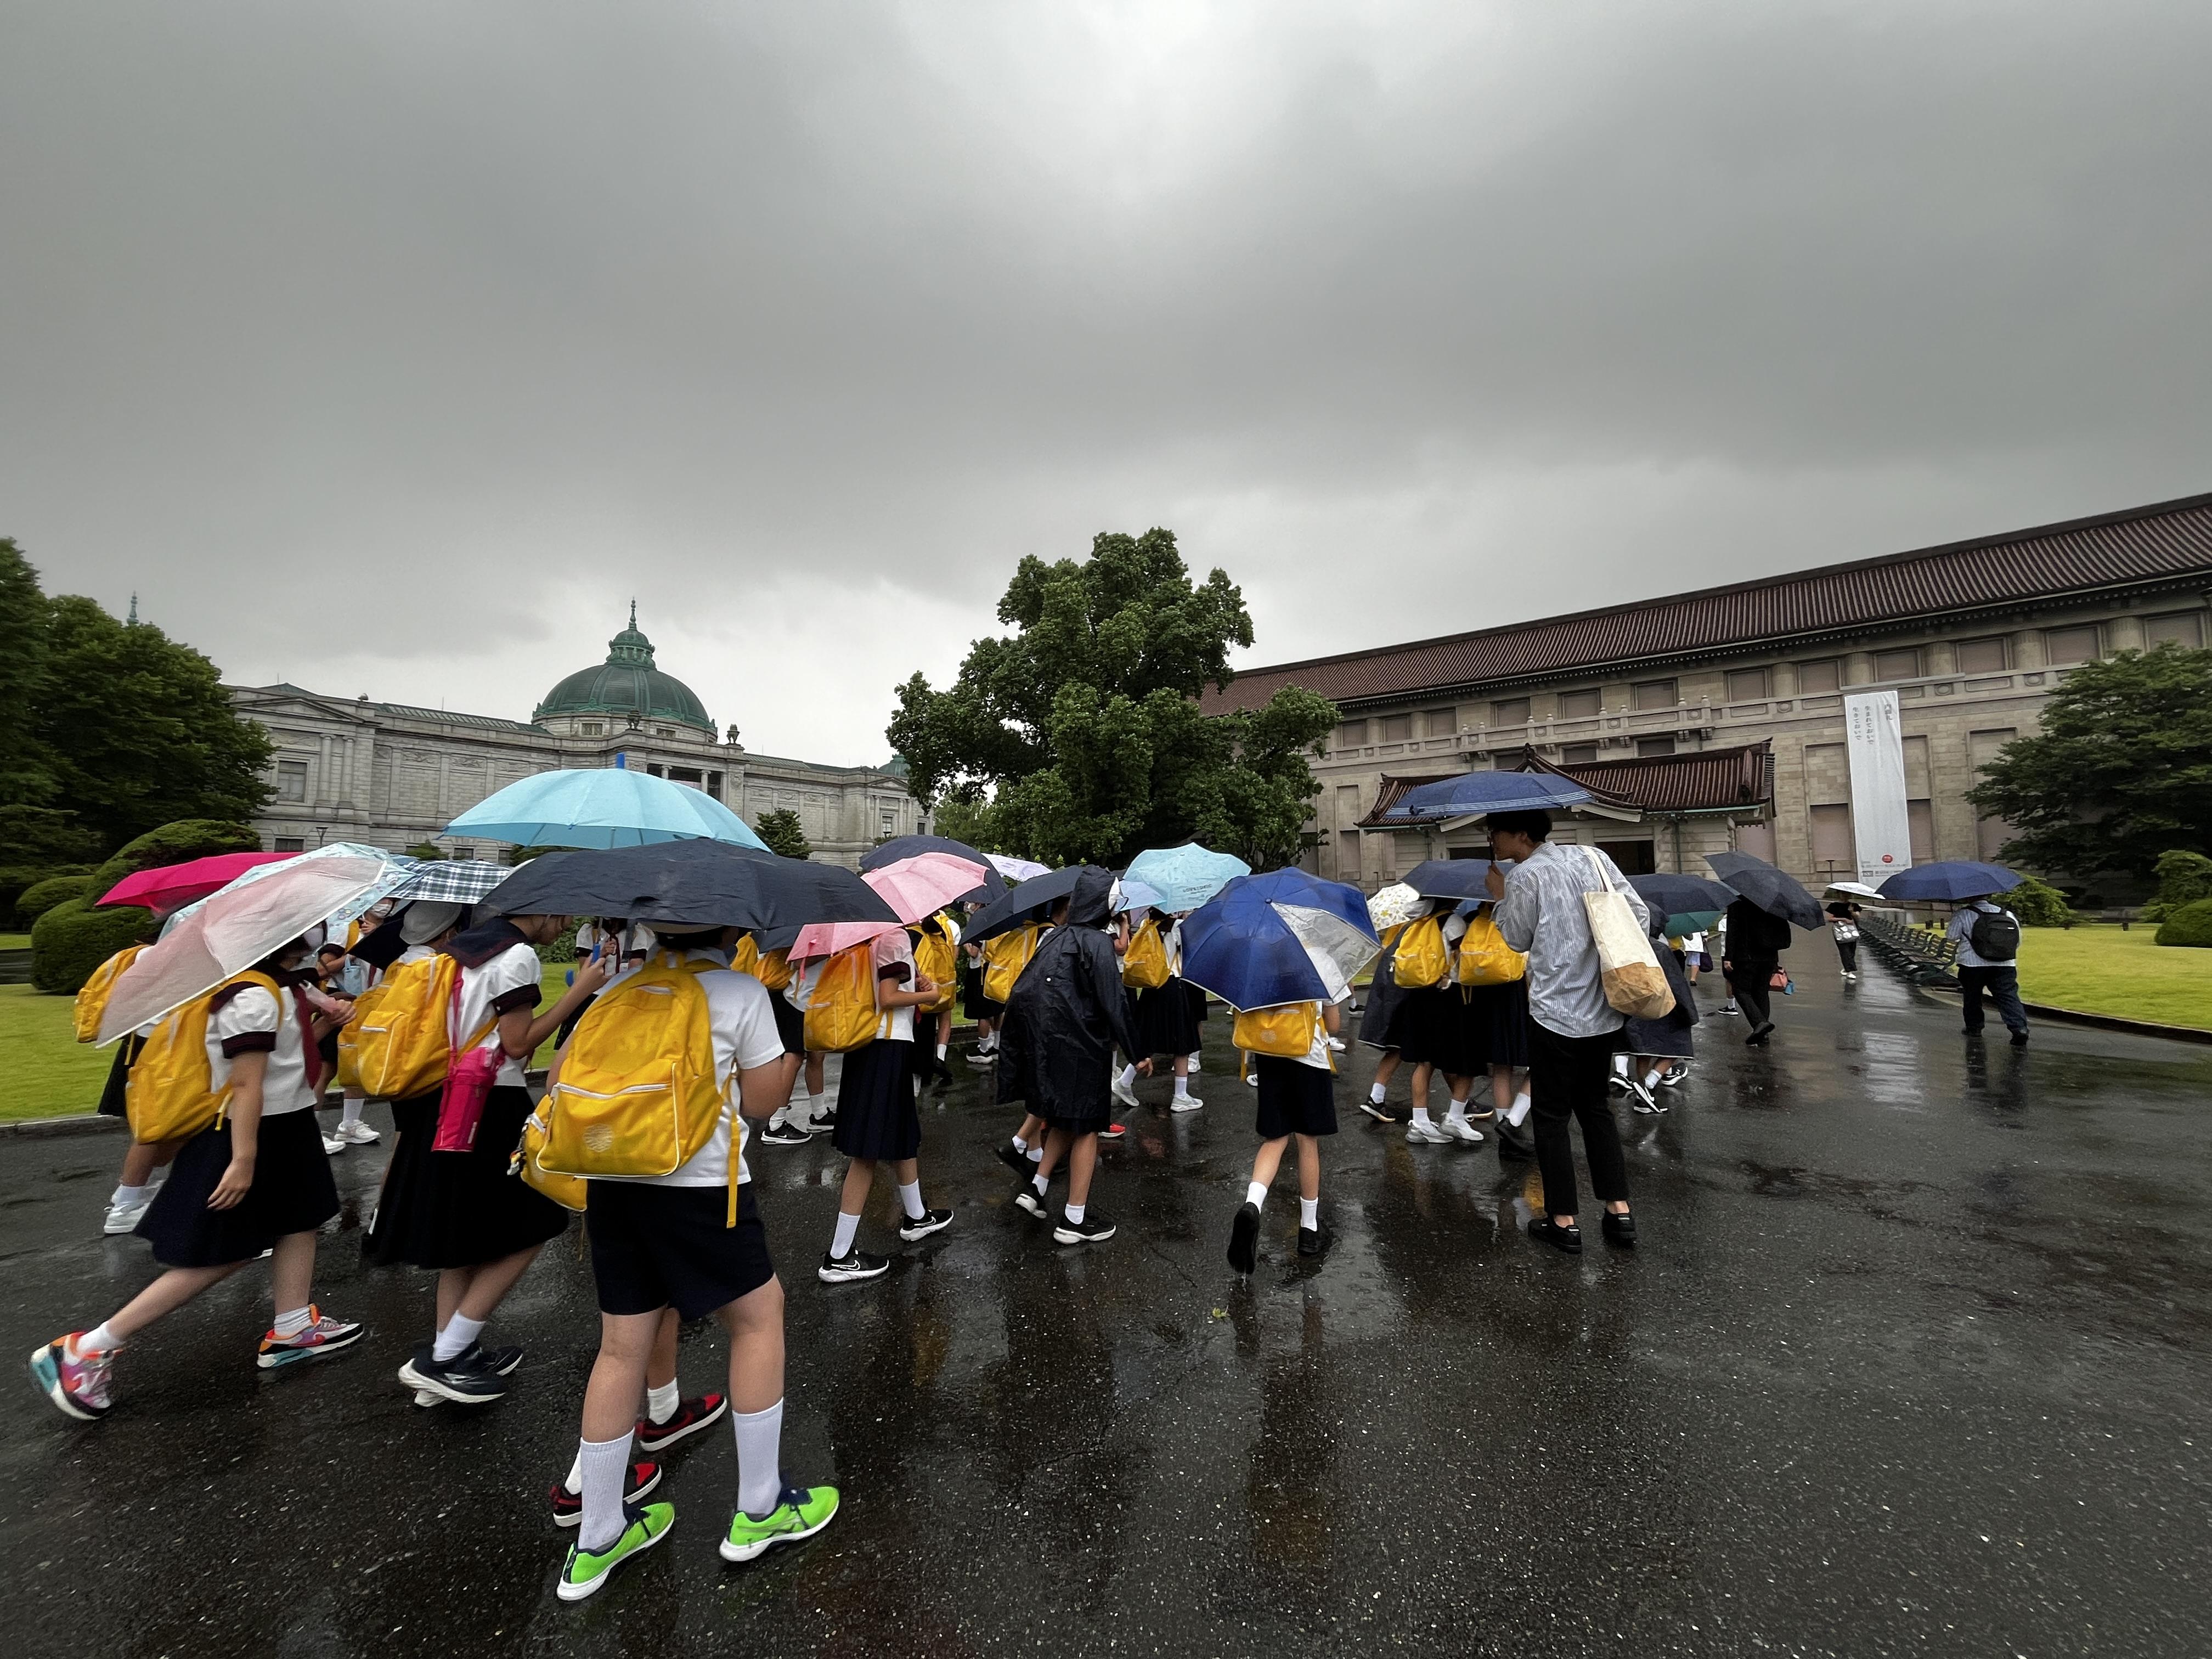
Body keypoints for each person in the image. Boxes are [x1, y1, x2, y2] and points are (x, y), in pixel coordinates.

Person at [549, 923, 837, 1602]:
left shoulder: (620, 987)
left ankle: (597, 1537)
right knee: (759, 1318)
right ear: (734, 930)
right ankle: (761, 1508)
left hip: (614, 1185)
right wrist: (781, 1054)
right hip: (703, 1188)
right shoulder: (739, 991)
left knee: (620, 1349)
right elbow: (765, 1104)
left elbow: (559, 1079)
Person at [31, 939, 364, 1421]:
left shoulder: (274, 986)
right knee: (222, 1252)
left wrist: (322, 1022)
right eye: (309, 934)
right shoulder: (249, 995)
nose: (317, 942)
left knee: (301, 1220)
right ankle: (87, 1349)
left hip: (286, 1124)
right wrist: (243, 1159)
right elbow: (247, 1083)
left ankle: (293, 1327)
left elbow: (281, 1062)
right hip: (248, 1133)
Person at [387, 912, 610, 1406]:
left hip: (445, 1100)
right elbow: (517, 1042)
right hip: (490, 1103)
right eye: (562, 915)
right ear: (542, 912)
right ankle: (447, 1354)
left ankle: (453, 1355)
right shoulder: (518, 955)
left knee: (463, 1236)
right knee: (537, 1223)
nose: (565, 924)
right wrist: (583, 990)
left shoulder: (460, 951)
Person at [1487, 813, 1647, 1254]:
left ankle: (1564, 1221)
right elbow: (1639, 913)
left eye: (1495, 832)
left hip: (1554, 1011)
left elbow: (1517, 940)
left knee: (1553, 1117)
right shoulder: (1594, 858)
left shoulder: (1525, 876)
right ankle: (1620, 1213)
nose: (1490, 840)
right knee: (1596, 1109)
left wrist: (1500, 899)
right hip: (1603, 1007)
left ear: (1522, 834)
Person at [998, 868, 1146, 1245]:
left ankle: (1036, 1189)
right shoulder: (1096, 943)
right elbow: (1115, 1004)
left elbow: (1023, 993)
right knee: (1086, 1131)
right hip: (1083, 1051)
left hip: (1052, 1048)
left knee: (1064, 1120)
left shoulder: (1056, 937)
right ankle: (1074, 1220)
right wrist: (1138, 1052)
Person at [816, 930, 955, 1284]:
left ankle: (917, 1216)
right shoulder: (893, 938)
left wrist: (916, 977)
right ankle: (839, 1255)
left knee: (903, 1134)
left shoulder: (869, 937)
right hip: (885, 1048)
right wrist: (931, 993)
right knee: (866, 1152)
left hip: (872, 1046)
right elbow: (888, 996)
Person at [1227, 996, 1344, 1271]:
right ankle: (1309, 1229)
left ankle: (1252, 1206)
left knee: (1275, 1139)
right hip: (1309, 1058)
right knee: (1307, 1141)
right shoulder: (1322, 963)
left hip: (1270, 1054)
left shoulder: (1263, 958)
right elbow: (1335, 1025)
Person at [1396, 903, 1483, 1147]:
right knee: (1468, 1059)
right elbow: (1465, 958)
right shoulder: (1452, 923)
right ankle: (1455, 1116)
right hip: (1450, 997)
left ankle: (1420, 1123)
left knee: (1425, 1062)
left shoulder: (1418, 924)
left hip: (1420, 994)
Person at [1115, 909, 1204, 1114]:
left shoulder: (1147, 927)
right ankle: (1180, 1096)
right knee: (1182, 1041)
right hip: (1174, 985)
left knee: (1148, 1037)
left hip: (1152, 987)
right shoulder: (1179, 928)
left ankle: (1125, 1081)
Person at [1615, 911, 1700, 1112]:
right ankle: (1649, 1084)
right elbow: (1675, 983)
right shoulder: (1660, 950)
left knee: (1642, 1050)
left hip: (1635, 1008)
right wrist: (1688, 1012)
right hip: (1662, 1009)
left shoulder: (1625, 945)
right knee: (1680, 1045)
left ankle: (1643, 1097)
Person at [1946, 895, 2030, 1046]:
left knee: (1973, 996)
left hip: (1972, 964)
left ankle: (1975, 1027)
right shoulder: (2007, 914)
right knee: (2008, 997)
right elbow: (2017, 941)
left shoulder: (1964, 914)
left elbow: (1951, 937)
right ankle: (2020, 1028)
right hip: (2005, 964)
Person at [1355, 926, 1413, 1124]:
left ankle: (1376, 1097)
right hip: (1413, 994)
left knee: (1399, 1048)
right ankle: (1457, 1106)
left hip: (1397, 990)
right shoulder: (1433, 926)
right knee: (1433, 1057)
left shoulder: (1407, 928)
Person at [1720, 894, 1791, 1045]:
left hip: (1746, 955)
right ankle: (1763, 1035)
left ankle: (1760, 1023)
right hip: (1769, 955)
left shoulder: (1738, 902)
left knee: (1740, 990)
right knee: (1761, 991)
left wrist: (1728, 956)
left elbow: (1733, 930)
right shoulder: (1772, 901)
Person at [1826, 900, 1863, 980]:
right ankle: (1850, 971)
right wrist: (1844, 919)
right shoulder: (1835, 905)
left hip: (1852, 931)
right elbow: (1829, 919)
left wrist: (1853, 912)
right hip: (1840, 932)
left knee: (1852, 951)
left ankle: (1846, 968)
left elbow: (1858, 918)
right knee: (1845, 951)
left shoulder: (1853, 905)